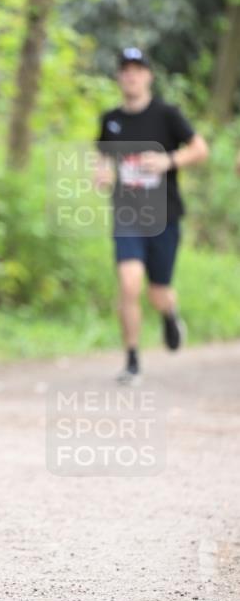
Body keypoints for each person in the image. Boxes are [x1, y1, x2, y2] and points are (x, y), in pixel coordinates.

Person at [95, 47, 208, 384]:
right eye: (125, 69)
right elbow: (102, 157)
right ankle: (132, 360)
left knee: (158, 292)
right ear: (118, 76)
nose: (131, 75)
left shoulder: (167, 115)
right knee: (129, 284)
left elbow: (200, 150)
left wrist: (167, 161)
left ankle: (169, 314)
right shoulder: (110, 119)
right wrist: (102, 174)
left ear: (148, 76)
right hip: (127, 214)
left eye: (137, 69)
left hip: (165, 215)